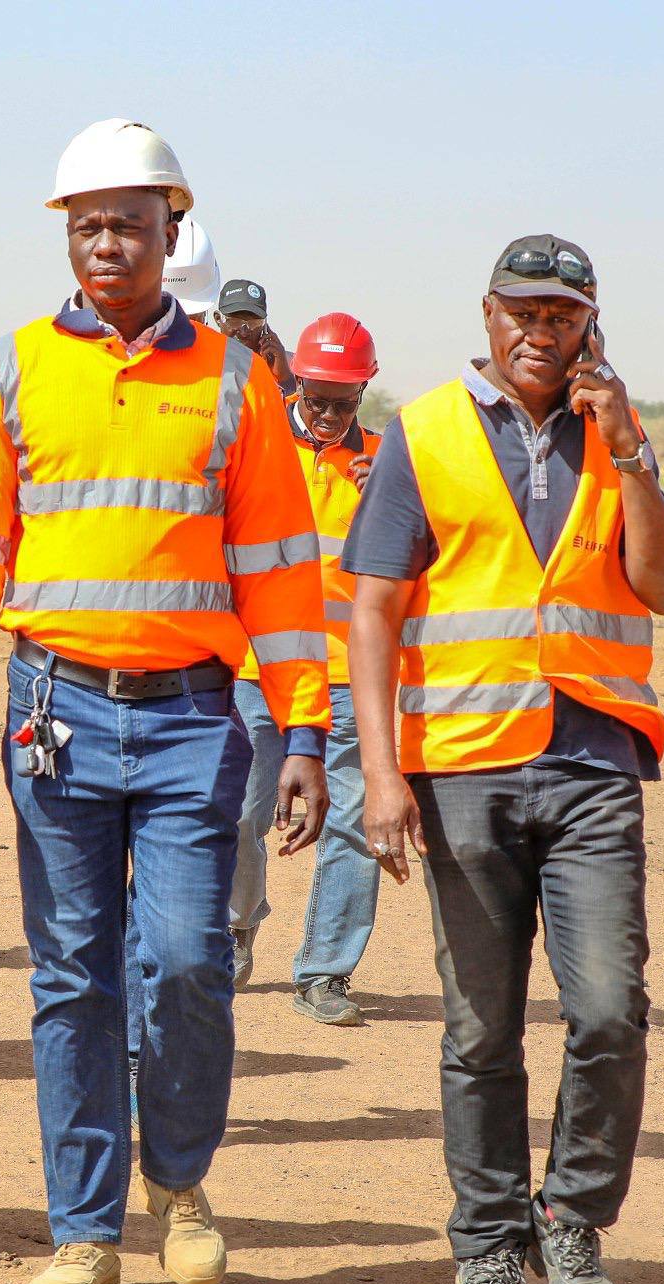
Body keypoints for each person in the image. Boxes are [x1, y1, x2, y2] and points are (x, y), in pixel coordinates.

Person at [0, 119, 328, 1284]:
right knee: (73, 978)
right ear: (66, 234)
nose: (106, 243)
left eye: (129, 223)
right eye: (86, 223)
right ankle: (84, 1230)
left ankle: (184, 1187)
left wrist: (303, 732)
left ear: (172, 232)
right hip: (54, 711)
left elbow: (281, 577)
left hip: (198, 719)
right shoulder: (7, 372)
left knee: (193, 962)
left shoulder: (238, 383)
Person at [346, 235, 664, 1284]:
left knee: (606, 1011)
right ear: (487, 315)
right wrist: (381, 770)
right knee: (479, 1029)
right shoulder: (425, 433)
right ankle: (489, 1250)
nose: (540, 335)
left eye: (563, 317)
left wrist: (629, 449)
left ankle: (574, 1227)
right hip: (462, 770)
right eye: (522, 314)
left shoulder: (616, 439)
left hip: (591, 764)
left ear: (590, 325)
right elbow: (373, 609)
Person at [228, 313, 385, 1023]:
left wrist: (391, 497)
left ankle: (325, 972)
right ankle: (234, 929)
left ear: (363, 395)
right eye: (315, 398)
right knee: (238, 811)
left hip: (350, 680)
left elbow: (430, 564)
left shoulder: (387, 466)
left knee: (352, 823)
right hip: (259, 669)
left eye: (342, 403)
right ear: (296, 381)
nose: (326, 415)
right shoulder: (259, 447)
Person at [213, 277, 295, 390]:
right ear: (218, 319)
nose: (244, 332)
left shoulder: (284, 365)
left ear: (265, 325)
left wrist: (285, 378)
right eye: (235, 321)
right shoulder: (204, 362)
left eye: (253, 323)